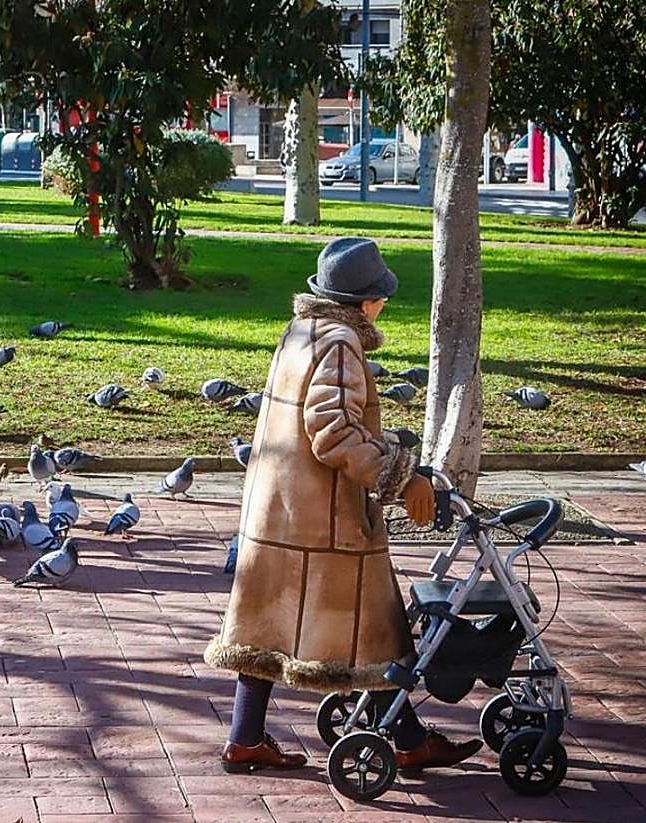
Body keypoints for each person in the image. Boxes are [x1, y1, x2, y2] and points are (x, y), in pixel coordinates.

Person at [204, 237, 483, 774]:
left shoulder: (301, 331)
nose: (383, 305)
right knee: (375, 627)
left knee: (262, 626)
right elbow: (332, 433)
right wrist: (403, 476)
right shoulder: (339, 343)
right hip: (325, 515)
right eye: (380, 297)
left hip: (280, 509)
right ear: (365, 301)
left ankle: (244, 738)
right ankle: (404, 739)